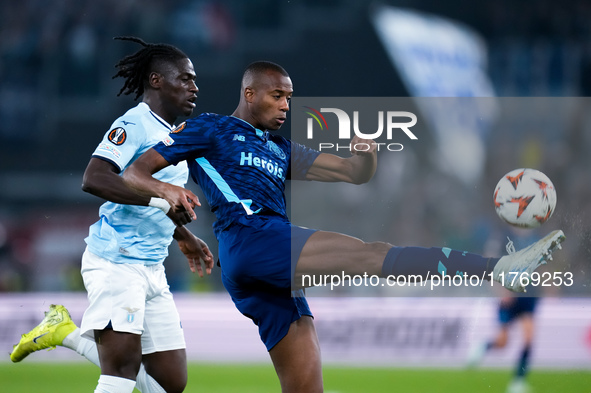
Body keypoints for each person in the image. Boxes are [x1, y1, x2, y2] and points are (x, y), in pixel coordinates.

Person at [122, 60, 565, 393]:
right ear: (250, 92)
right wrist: (166, 192)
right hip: (252, 239)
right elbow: (135, 172)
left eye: (290, 98)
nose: (285, 105)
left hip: (265, 270)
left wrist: (366, 155)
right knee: (372, 255)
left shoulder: (280, 148)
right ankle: (496, 268)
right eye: (276, 95)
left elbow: (354, 173)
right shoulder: (210, 129)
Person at [10, 36, 214, 393]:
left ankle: (64, 333)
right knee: (119, 372)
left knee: (170, 384)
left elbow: (151, 195)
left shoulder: (175, 135)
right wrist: (162, 196)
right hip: (116, 263)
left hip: (152, 267)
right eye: (185, 78)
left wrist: (184, 236)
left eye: (194, 80)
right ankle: (66, 333)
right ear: (156, 81)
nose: (194, 87)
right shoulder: (134, 124)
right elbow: (94, 178)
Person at [467, 296, 539, 393]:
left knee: (528, 341)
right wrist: (505, 292)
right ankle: (483, 347)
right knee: (502, 343)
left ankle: (518, 381)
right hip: (512, 299)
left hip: (528, 300)